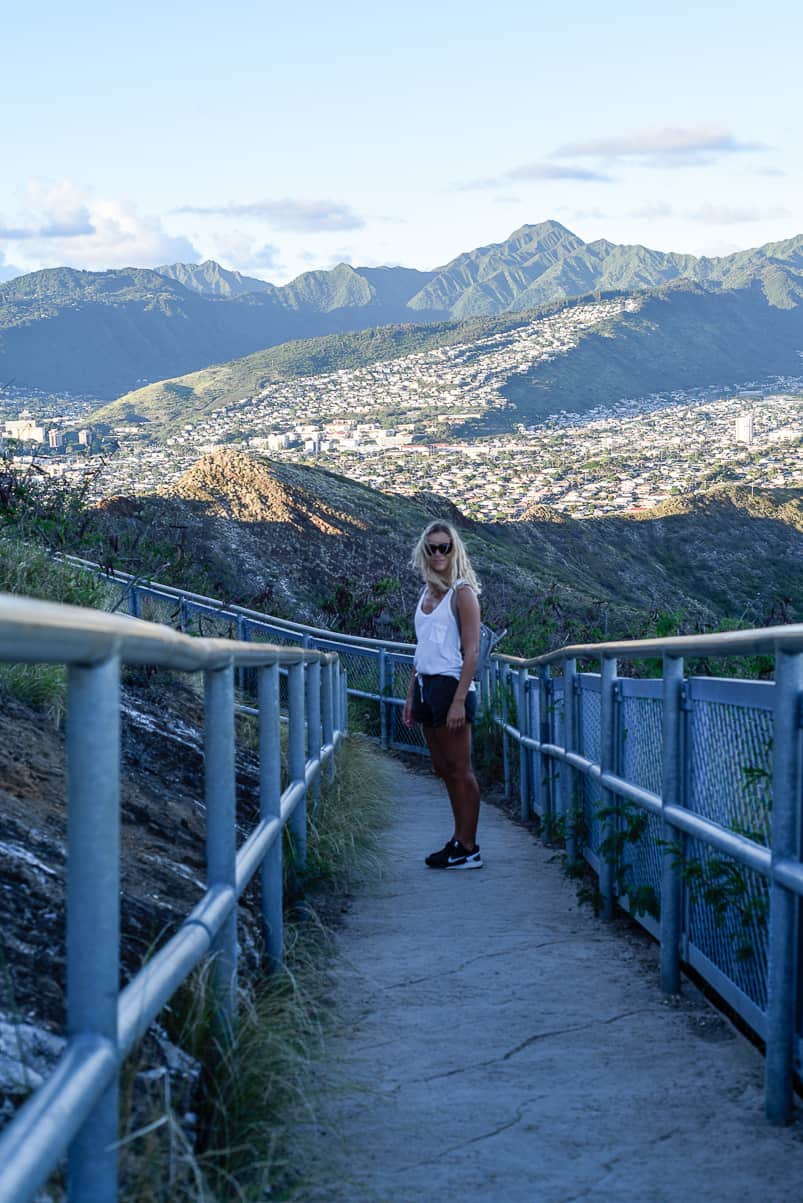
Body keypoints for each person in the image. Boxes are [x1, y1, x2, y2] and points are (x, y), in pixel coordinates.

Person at [403, 520, 483, 869]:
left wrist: (459, 700)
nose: (438, 554)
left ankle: (469, 847)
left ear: (455, 551)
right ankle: (457, 840)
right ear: (424, 551)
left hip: (451, 685)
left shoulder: (462, 593)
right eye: (432, 548)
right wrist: (410, 696)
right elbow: (421, 650)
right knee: (442, 767)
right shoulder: (426, 593)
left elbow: (473, 650)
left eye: (445, 547)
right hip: (426, 686)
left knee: (460, 769)